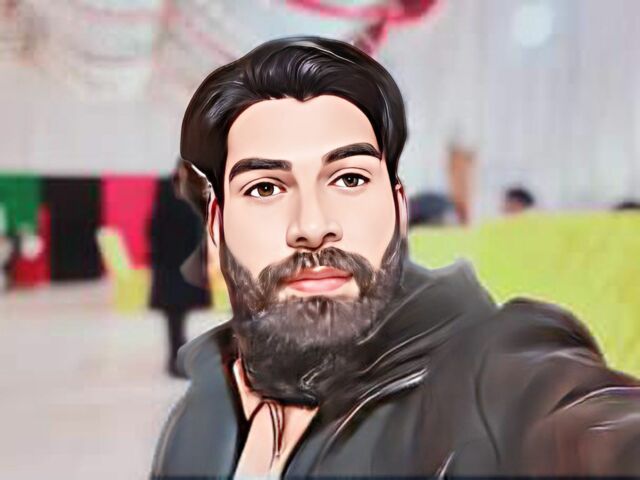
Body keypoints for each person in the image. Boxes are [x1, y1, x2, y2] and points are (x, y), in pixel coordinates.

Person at [151, 37, 640, 477]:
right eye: (265, 187)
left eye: (349, 179)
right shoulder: (206, 399)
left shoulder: (488, 367)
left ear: (398, 208)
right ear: (216, 224)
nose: (313, 226)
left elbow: (587, 424)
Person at [148, 176, 210, 378]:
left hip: (175, 268)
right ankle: (176, 359)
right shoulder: (178, 204)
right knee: (176, 316)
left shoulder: (167, 205)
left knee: (176, 316)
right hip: (176, 269)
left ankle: (177, 356)